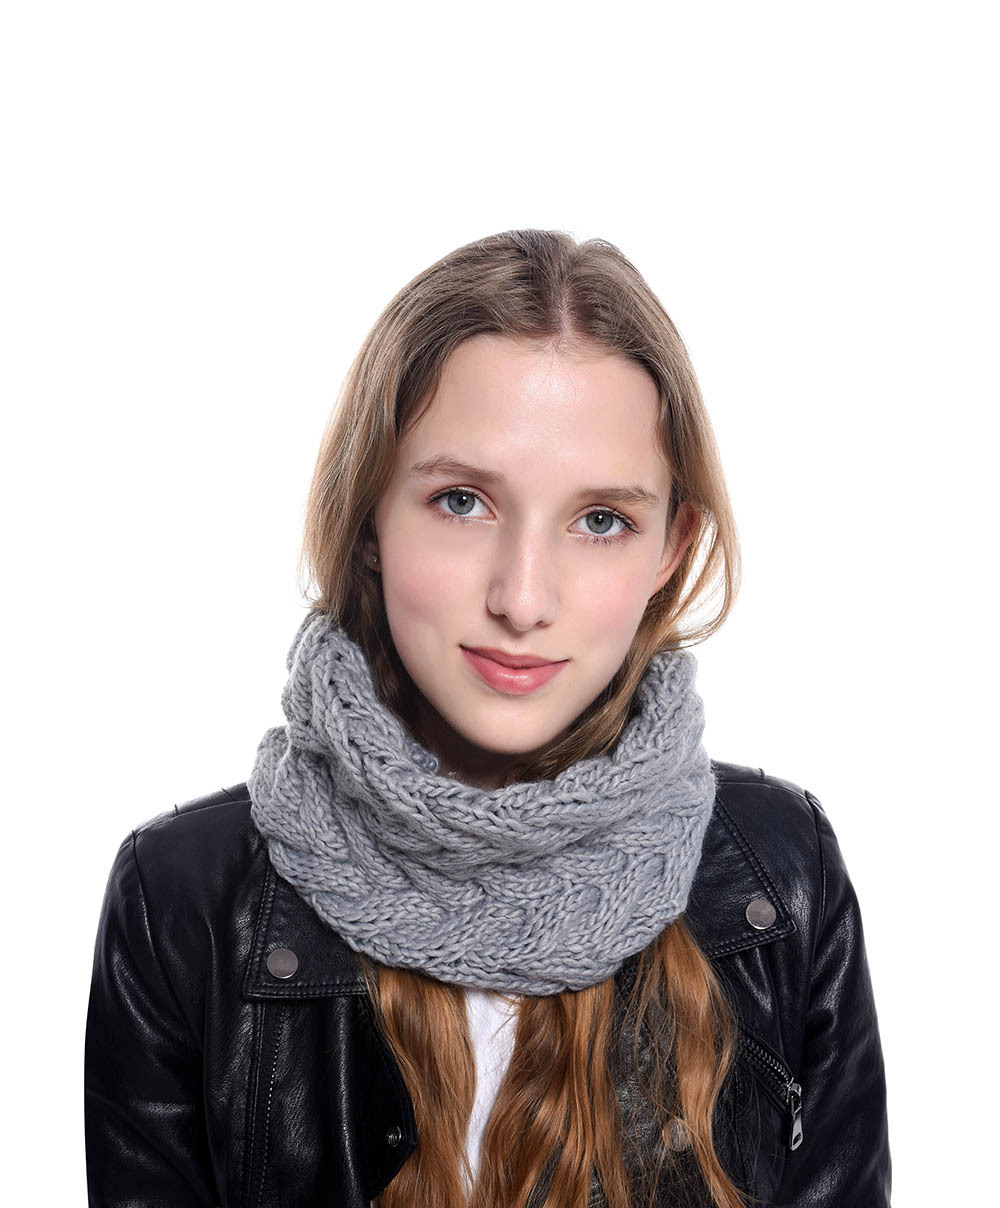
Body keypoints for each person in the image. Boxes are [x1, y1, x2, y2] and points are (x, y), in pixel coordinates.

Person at [84, 229, 891, 1208]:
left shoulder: (782, 876)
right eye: (462, 501)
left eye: (602, 520)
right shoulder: (181, 900)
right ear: (370, 517)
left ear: (671, 549)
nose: (522, 598)